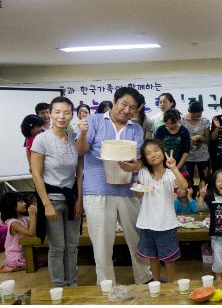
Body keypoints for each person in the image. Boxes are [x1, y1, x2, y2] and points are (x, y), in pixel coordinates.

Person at [76, 87, 152, 285]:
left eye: (132, 108)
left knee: (137, 237)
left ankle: (144, 278)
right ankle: (106, 284)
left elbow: (139, 160)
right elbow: (81, 150)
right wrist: (83, 134)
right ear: (115, 101)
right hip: (97, 190)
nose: (127, 110)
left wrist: (135, 165)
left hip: (128, 190)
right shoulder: (94, 121)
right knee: (101, 242)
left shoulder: (135, 129)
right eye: (124, 104)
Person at [31, 96, 83, 287]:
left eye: (67, 112)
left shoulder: (74, 137)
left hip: (71, 198)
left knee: (72, 245)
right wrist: (46, 204)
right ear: (50, 114)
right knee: (57, 246)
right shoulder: (41, 139)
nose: (62, 116)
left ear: (72, 115)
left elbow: (79, 171)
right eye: (57, 112)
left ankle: (72, 282)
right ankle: (60, 285)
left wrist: (79, 201)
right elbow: (36, 174)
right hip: (51, 199)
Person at [134, 139, 188, 282]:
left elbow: (184, 186)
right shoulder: (143, 172)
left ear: (163, 153)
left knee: (169, 259)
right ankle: (156, 283)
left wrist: (174, 168)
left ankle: (170, 285)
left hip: (166, 224)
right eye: (148, 153)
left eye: (156, 150)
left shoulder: (170, 174)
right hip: (146, 223)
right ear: (145, 158)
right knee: (153, 256)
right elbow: (138, 194)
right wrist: (137, 187)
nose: (153, 154)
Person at [0, 192, 37, 272]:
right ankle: (9, 267)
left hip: (23, 252)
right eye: (21, 202)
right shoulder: (14, 223)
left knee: (41, 258)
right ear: (11, 205)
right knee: (37, 262)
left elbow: (32, 227)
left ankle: (10, 265)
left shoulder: (22, 218)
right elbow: (31, 233)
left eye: (24, 201)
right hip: (16, 256)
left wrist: (34, 215)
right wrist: (32, 216)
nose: (24, 204)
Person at [181, 100, 210, 188]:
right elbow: (180, 138)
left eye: (199, 115)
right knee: (188, 180)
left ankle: (203, 198)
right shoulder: (182, 120)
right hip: (187, 156)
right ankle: (191, 199)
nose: (196, 117)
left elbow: (207, 140)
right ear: (189, 111)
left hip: (202, 156)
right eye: (194, 116)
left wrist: (199, 137)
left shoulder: (205, 121)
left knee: (204, 179)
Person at [154, 108, 190, 176]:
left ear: (178, 120)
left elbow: (186, 151)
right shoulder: (161, 130)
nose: (170, 126)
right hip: (162, 164)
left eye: (173, 123)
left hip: (179, 164)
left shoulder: (184, 131)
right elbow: (157, 148)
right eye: (167, 124)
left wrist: (176, 168)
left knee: (180, 184)